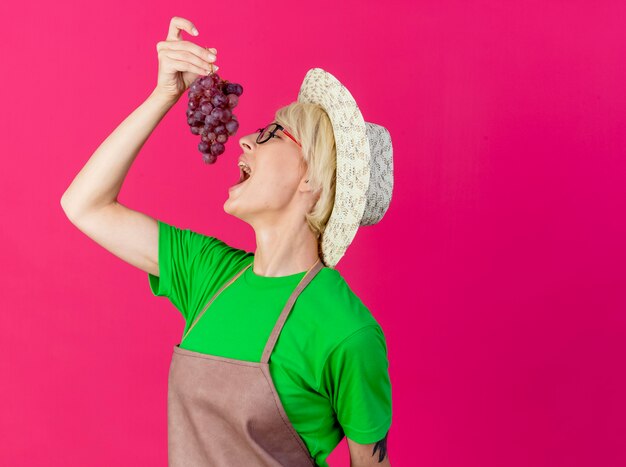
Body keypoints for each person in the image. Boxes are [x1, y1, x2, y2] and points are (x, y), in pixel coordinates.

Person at [61, 16, 394, 467]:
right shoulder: (209, 274)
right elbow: (84, 204)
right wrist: (164, 95)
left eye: (274, 133)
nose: (245, 141)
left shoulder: (346, 331)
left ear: (312, 178)